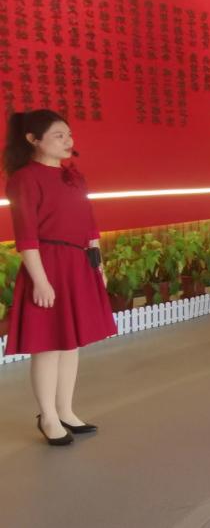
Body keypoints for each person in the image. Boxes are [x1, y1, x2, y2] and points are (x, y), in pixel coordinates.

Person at [3, 110, 115, 446]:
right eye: (59, 135)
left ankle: (65, 410)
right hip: (47, 265)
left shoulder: (73, 177)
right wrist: (40, 280)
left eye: (69, 134)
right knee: (48, 346)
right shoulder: (24, 179)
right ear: (33, 140)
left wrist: (98, 266)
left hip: (78, 265)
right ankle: (48, 417)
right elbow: (26, 236)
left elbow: (90, 227)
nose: (68, 141)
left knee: (71, 343)